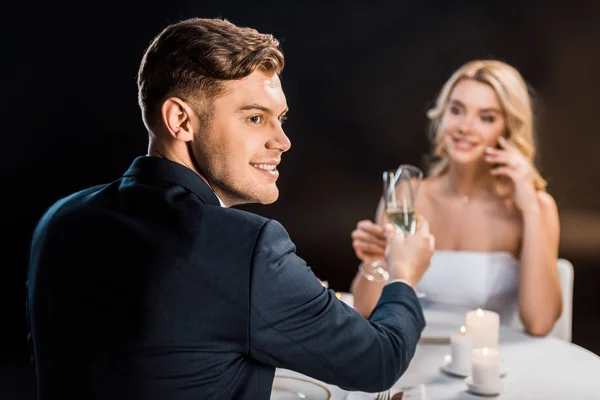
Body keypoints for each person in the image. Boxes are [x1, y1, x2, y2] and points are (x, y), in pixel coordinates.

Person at [25, 17, 435, 399]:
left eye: (281, 118)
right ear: (181, 121)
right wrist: (404, 274)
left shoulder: (60, 217)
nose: (283, 141)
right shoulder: (249, 247)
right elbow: (380, 361)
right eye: (256, 118)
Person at [350, 59, 562, 337]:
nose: (465, 127)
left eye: (486, 117)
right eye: (457, 110)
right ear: (442, 116)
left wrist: (530, 209)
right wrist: (374, 260)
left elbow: (540, 323)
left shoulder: (535, 207)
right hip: (411, 356)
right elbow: (366, 311)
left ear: (508, 130)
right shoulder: (407, 196)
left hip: (491, 367)